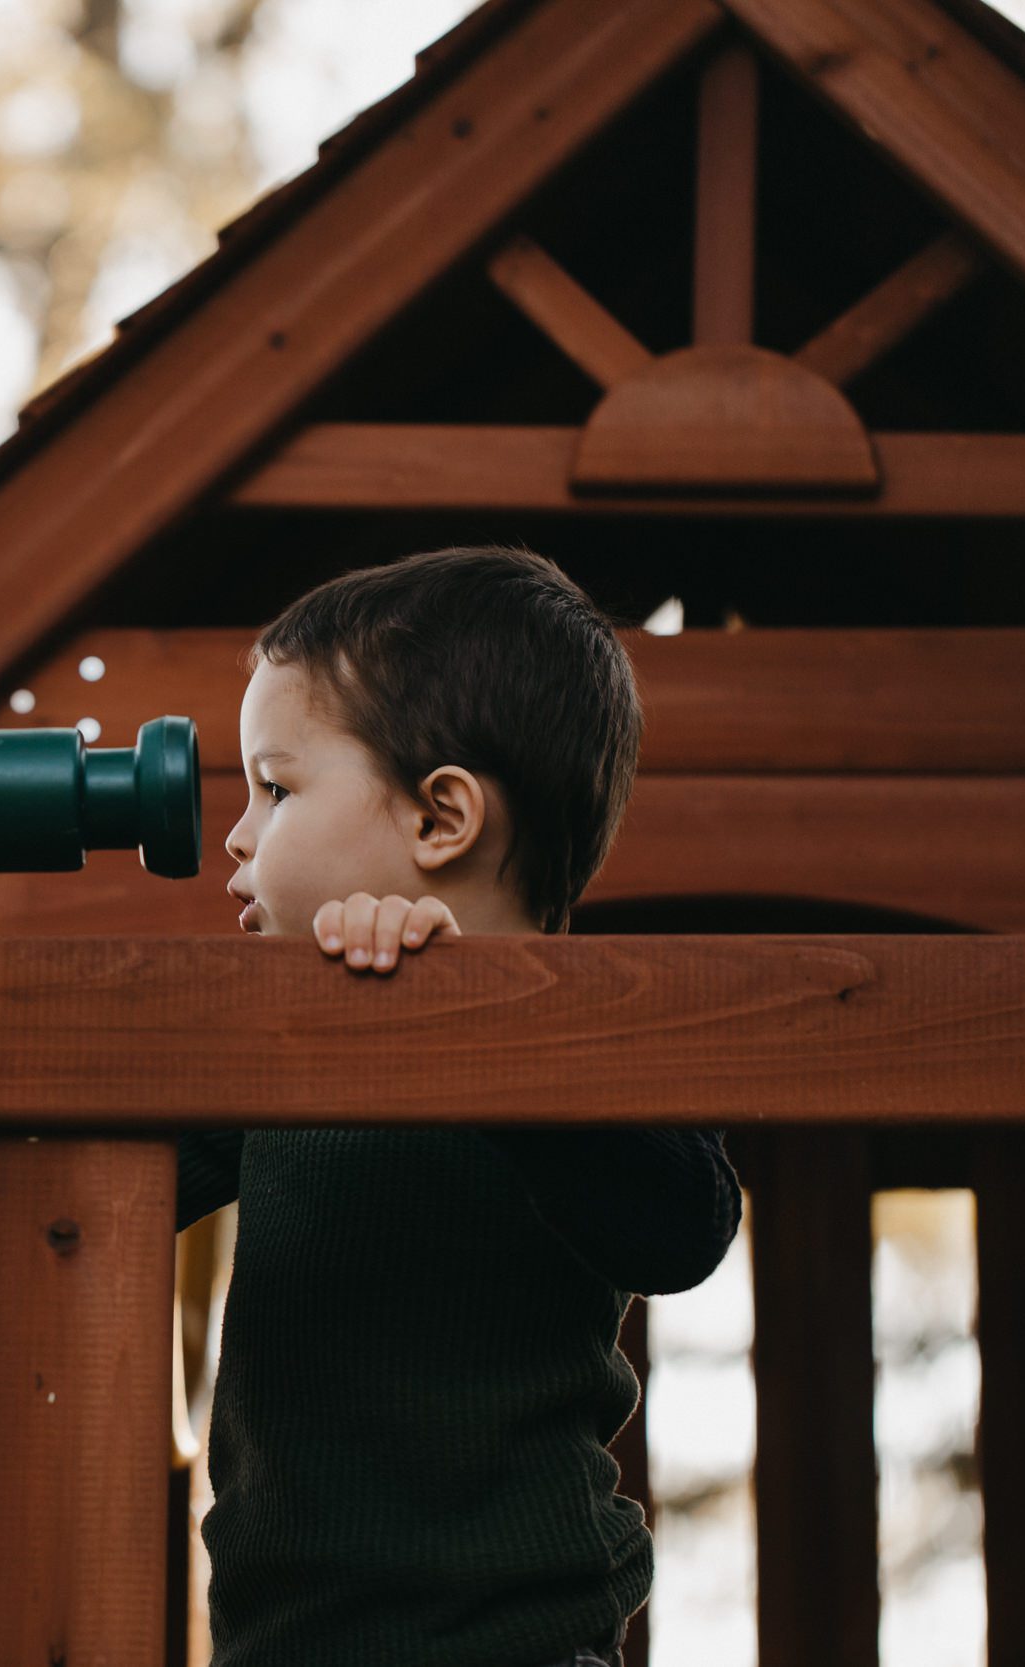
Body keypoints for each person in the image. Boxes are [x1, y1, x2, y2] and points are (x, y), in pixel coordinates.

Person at [192, 544, 742, 1667]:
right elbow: (80, 1164)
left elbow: (684, 1221)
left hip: (520, 1645)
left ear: (440, 819)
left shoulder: (581, 1034)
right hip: (281, 1645)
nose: (238, 835)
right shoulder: (268, 1051)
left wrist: (469, 1023)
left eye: (278, 787)